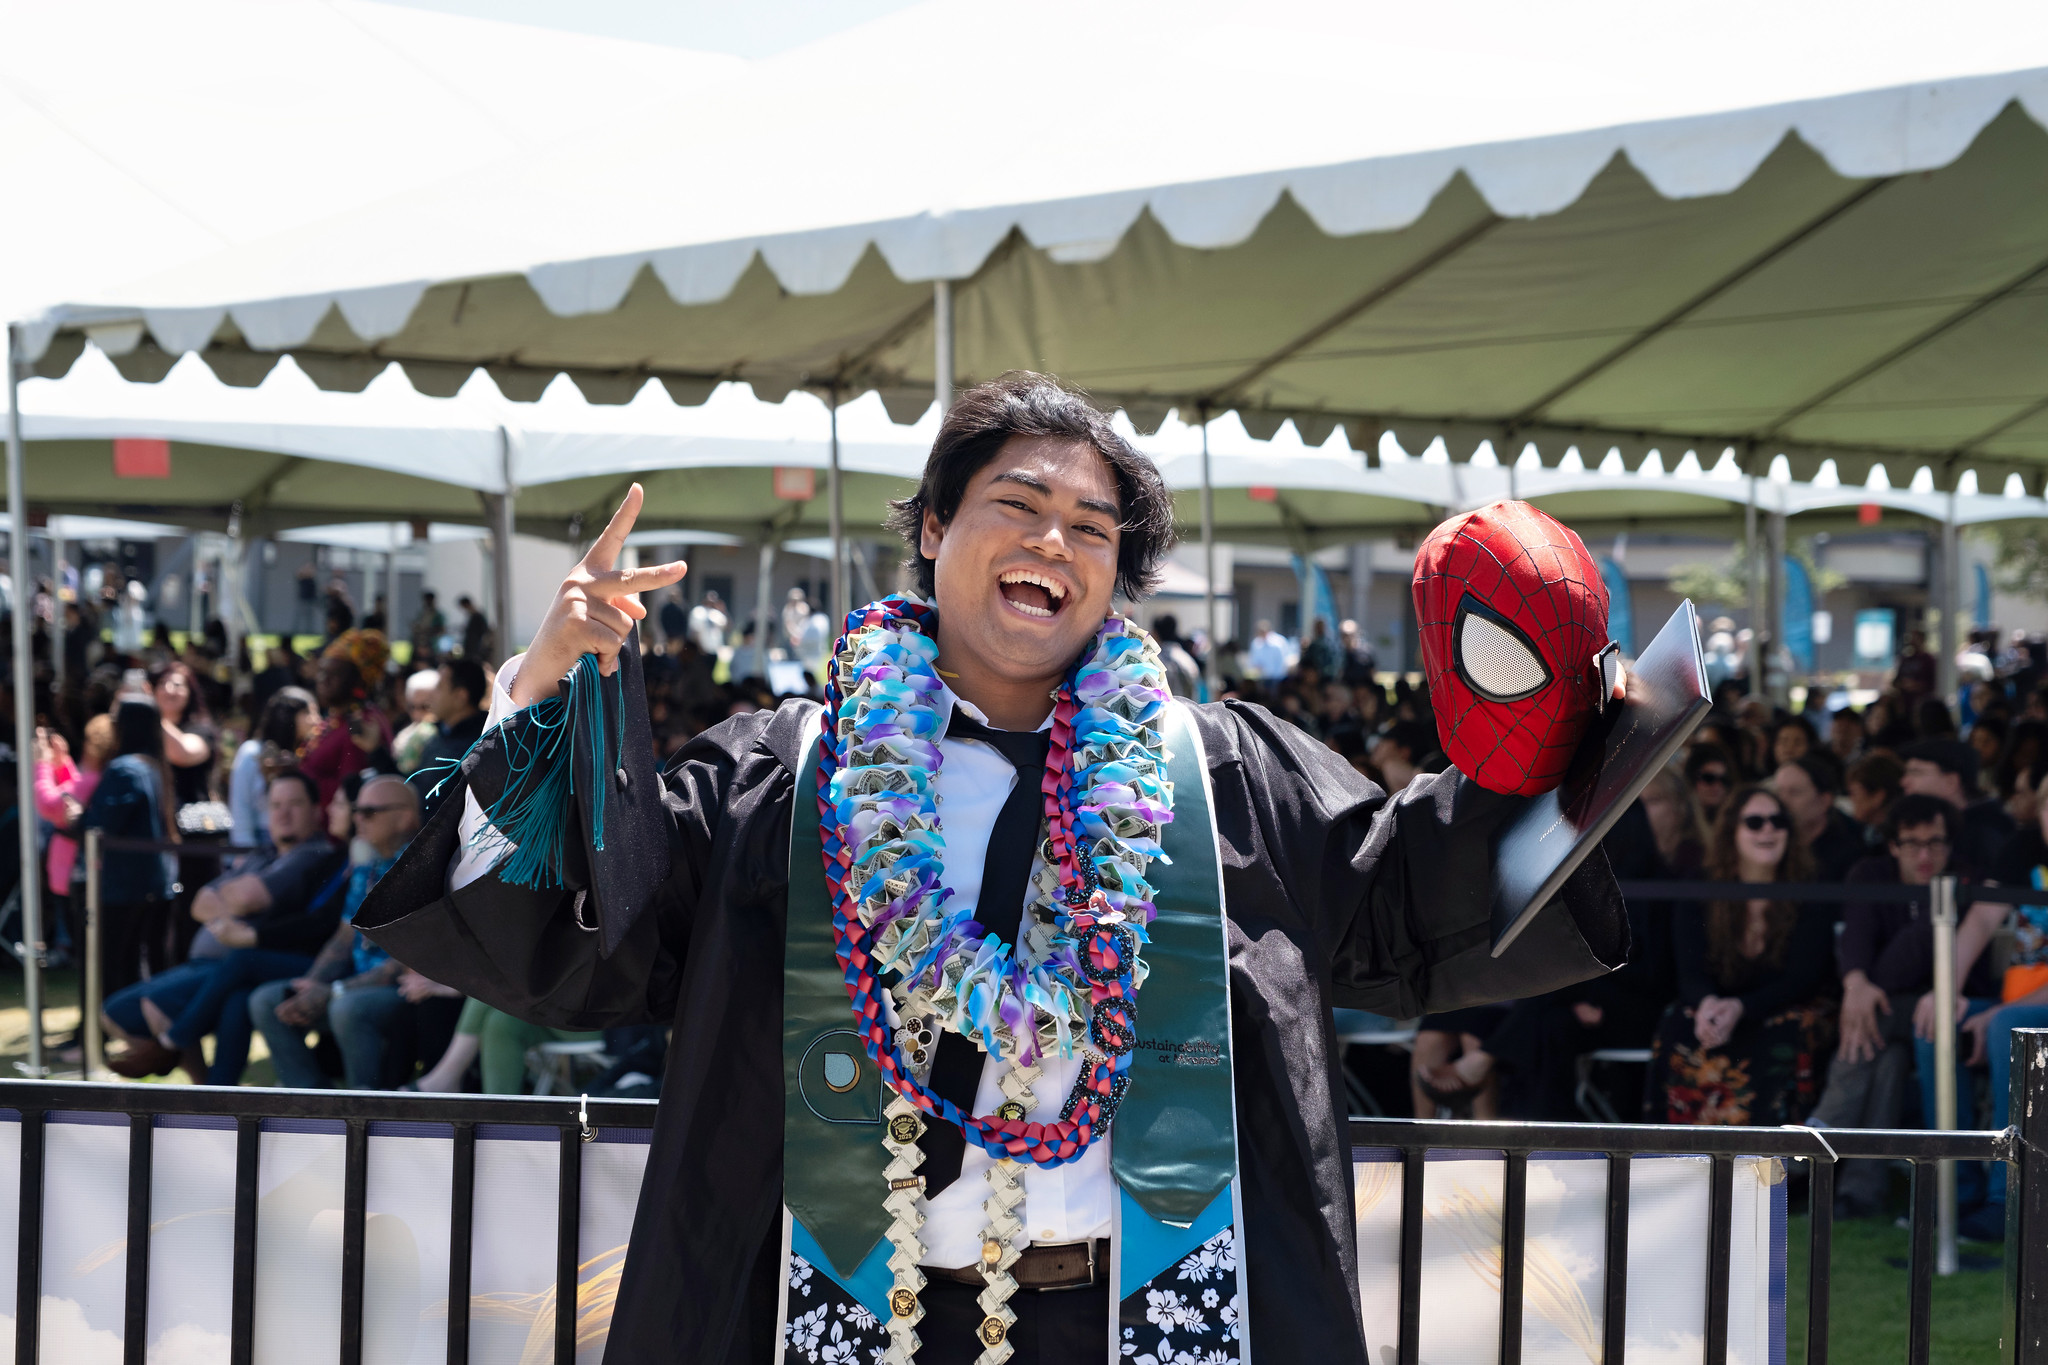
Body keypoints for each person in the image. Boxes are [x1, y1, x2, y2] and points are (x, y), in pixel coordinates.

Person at [356, 374, 1632, 1365]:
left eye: (1092, 528)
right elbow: (592, 937)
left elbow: (1409, 892)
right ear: (930, 527)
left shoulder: (1216, 775)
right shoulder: (788, 777)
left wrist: (1581, 744)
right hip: (839, 1312)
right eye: (1015, 506)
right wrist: (537, 686)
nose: (1053, 542)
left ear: (1117, 580)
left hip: (1132, 1317)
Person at [100, 769, 348, 1082]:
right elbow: (199, 902)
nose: (283, 814)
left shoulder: (313, 855)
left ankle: (189, 1068)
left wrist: (229, 901)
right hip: (217, 965)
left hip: (240, 964)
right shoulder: (264, 855)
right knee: (117, 1012)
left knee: (147, 1009)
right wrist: (231, 905)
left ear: (316, 811)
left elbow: (244, 898)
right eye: (275, 805)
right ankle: (203, 1085)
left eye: (294, 804)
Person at [1812, 795, 1990, 1217]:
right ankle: (1861, 1191)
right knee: (1887, 1061)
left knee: (1874, 1019)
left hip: (1949, 1008)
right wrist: (1857, 982)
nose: (1925, 854)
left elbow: (1909, 956)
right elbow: (1854, 936)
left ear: (1951, 844)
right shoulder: (1869, 873)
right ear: (1892, 844)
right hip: (1890, 1013)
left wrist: (1864, 989)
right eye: (1912, 843)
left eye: (1936, 843)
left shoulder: (1962, 882)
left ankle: (1816, 1133)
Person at [1647, 784, 1835, 1125]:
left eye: (1778, 822)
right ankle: (1676, 1155)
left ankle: (1775, 1160)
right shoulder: (1700, 887)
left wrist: (1741, 1008)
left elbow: (1803, 977)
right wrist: (1707, 1004)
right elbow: (1688, 970)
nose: (1768, 830)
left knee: (1788, 1032)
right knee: (1678, 1023)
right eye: (1754, 822)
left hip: (1785, 1006)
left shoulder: (1808, 887)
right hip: (1719, 1004)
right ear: (1731, 830)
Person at [250, 776, 451, 1089]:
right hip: (355, 985)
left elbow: (406, 959)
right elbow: (345, 937)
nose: (357, 818)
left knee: (347, 1009)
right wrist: (313, 983)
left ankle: (364, 1104)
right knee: (266, 1000)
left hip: (404, 990)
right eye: (356, 810)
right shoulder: (368, 865)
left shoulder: (423, 868)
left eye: (369, 812)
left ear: (405, 817)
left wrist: (334, 991)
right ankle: (306, 1100)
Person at [75, 699, 176, 1001]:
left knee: (109, 964)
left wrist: (76, 818)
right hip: (153, 883)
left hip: (123, 886)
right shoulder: (153, 766)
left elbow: (103, 825)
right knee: (137, 964)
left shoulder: (125, 769)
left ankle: (102, 1033)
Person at [34, 716, 113, 970]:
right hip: (80, 870)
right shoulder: (101, 777)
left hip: (74, 873)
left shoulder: (93, 778)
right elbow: (74, 791)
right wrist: (63, 762)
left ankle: (65, 950)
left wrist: (42, 765)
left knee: (82, 939)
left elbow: (50, 804)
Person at [301, 630, 392, 807]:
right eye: (321, 671)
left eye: (333, 674)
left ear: (357, 681)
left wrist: (300, 781)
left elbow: (348, 793)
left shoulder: (362, 723)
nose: (322, 680)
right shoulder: (336, 719)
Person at [1901, 737, 2015, 876]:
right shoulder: (1962, 828)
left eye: (1916, 773)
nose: (1904, 782)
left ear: (1951, 782)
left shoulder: (1987, 836)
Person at [227, 688, 317, 851]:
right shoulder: (251, 752)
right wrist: (243, 851)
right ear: (288, 716)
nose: (316, 721)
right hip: (260, 843)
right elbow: (241, 805)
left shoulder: (308, 754)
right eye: (308, 713)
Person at [408, 658, 488, 821]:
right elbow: (413, 790)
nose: (431, 695)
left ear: (460, 696)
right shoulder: (440, 735)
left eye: (439, 687)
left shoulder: (480, 746)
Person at [1773, 753, 1865, 883]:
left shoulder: (1851, 853)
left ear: (1825, 800)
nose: (1782, 801)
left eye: (1794, 792)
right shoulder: (1770, 840)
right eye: (1778, 792)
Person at [152, 660, 217, 807]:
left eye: (177, 685)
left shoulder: (202, 730)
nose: (169, 690)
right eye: (162, 683)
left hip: (191, 820)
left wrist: (151, 712)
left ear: (189, 693)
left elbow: (182, 753)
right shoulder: (143, 729)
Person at [390, 669, 442, 775]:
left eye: (426, 706)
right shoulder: (403, 737)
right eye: (412, 707)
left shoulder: (449, 737)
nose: (417, 714)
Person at [1147, 614, 1202, 700]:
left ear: (1155, 633)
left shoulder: (1155, 660)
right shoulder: (1187, 659)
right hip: (1189, 709)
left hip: (1166, 710)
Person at [1687, 742, 1736, 825]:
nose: (1717, 786)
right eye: (1709, 778)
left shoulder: (1731, 823)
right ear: (1692, 779)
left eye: (1724, 780)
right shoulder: (1682, 822)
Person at [1245, 617, 1294, 684]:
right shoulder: (1256, 643)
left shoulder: (1279, 641)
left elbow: (1286, 659)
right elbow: (1254, 662)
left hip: (1279, 678)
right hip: (1263, 678)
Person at [409, 589, 446, 666]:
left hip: (430, 646)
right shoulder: (422, 613)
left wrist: (426, 630)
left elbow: (441, 630)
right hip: (418, 645)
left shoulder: (437, 615)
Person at [688, 589, 729, 656]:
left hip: (714, 649)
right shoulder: (698, 611)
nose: (712, 600)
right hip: (701, 650)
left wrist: (723, 610)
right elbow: (695, 631)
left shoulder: (716, 613)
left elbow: (727, 627)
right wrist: (700, 647)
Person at [458, 594, 493, 662]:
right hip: (472, 644)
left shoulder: (477, 616)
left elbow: (484, 630)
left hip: (475, 645)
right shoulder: (472, 615)